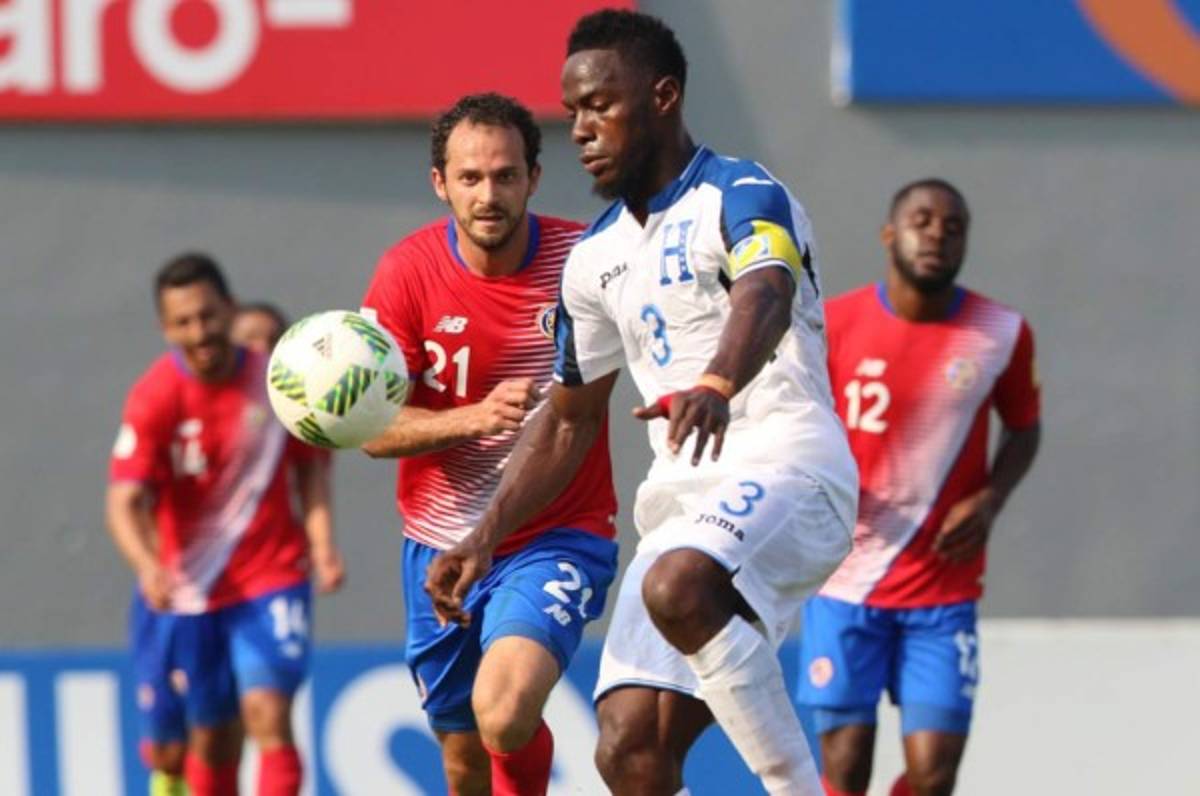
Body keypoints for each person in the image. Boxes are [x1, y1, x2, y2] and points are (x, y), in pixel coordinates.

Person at [425, 10, 858, 795]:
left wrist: (718, 380)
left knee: (678, 587)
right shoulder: (595, 258)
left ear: (663, 97)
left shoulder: (744, 192)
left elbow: (766, 289)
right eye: (573, 114)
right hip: (685, 503)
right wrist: (484, 535)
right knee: (627, 751)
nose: (582, 129)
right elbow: (568, 417)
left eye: (601, 105)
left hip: (791, 468)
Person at [360, 93, 619, 796]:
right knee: (464, 758)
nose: (488, 194)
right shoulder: (405, 273)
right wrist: (469, 418)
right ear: (440, 183)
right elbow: (372, 431)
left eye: (505, 175)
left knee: (504, 713)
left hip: (555, 534)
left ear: (535, 177)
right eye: (470, 178)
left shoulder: (585, 264)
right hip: (438, 545)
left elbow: (585, 413)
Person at [796, 179, 1041, 796]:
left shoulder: (1000, 333)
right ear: (890, 234)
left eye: (952, 226)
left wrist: (990, 500)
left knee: (935, 775)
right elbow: (791, 428)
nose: (936, 234)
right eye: (922, 220)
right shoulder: (833, 326)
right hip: (845, 579)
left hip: (942, 585)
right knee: (846, 765)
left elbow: (1025, 430)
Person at [107, 254, 345, 796]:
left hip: (272, 575)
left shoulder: (277, 382)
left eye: (207, 316)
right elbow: (124, 501)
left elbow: (310, 471)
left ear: (229, 310)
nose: (199, 331)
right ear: (167, 329)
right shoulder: (155, 396)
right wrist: (147, 566)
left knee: (266, 710)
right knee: (203, 742)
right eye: (184, 322)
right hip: (191, 588)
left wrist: (323, 545)